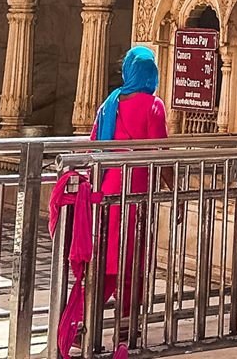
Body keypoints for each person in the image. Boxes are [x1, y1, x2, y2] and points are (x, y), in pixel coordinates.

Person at [87, 46, 170, 348]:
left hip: (107, 191)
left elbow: (94, 145)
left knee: (106, 259)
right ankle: (125, 331)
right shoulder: (153, 106)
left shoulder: (109, 105)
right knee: (132, 264)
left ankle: (87, 323)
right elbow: (160, 154)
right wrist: (175, 189)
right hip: (135, 195)